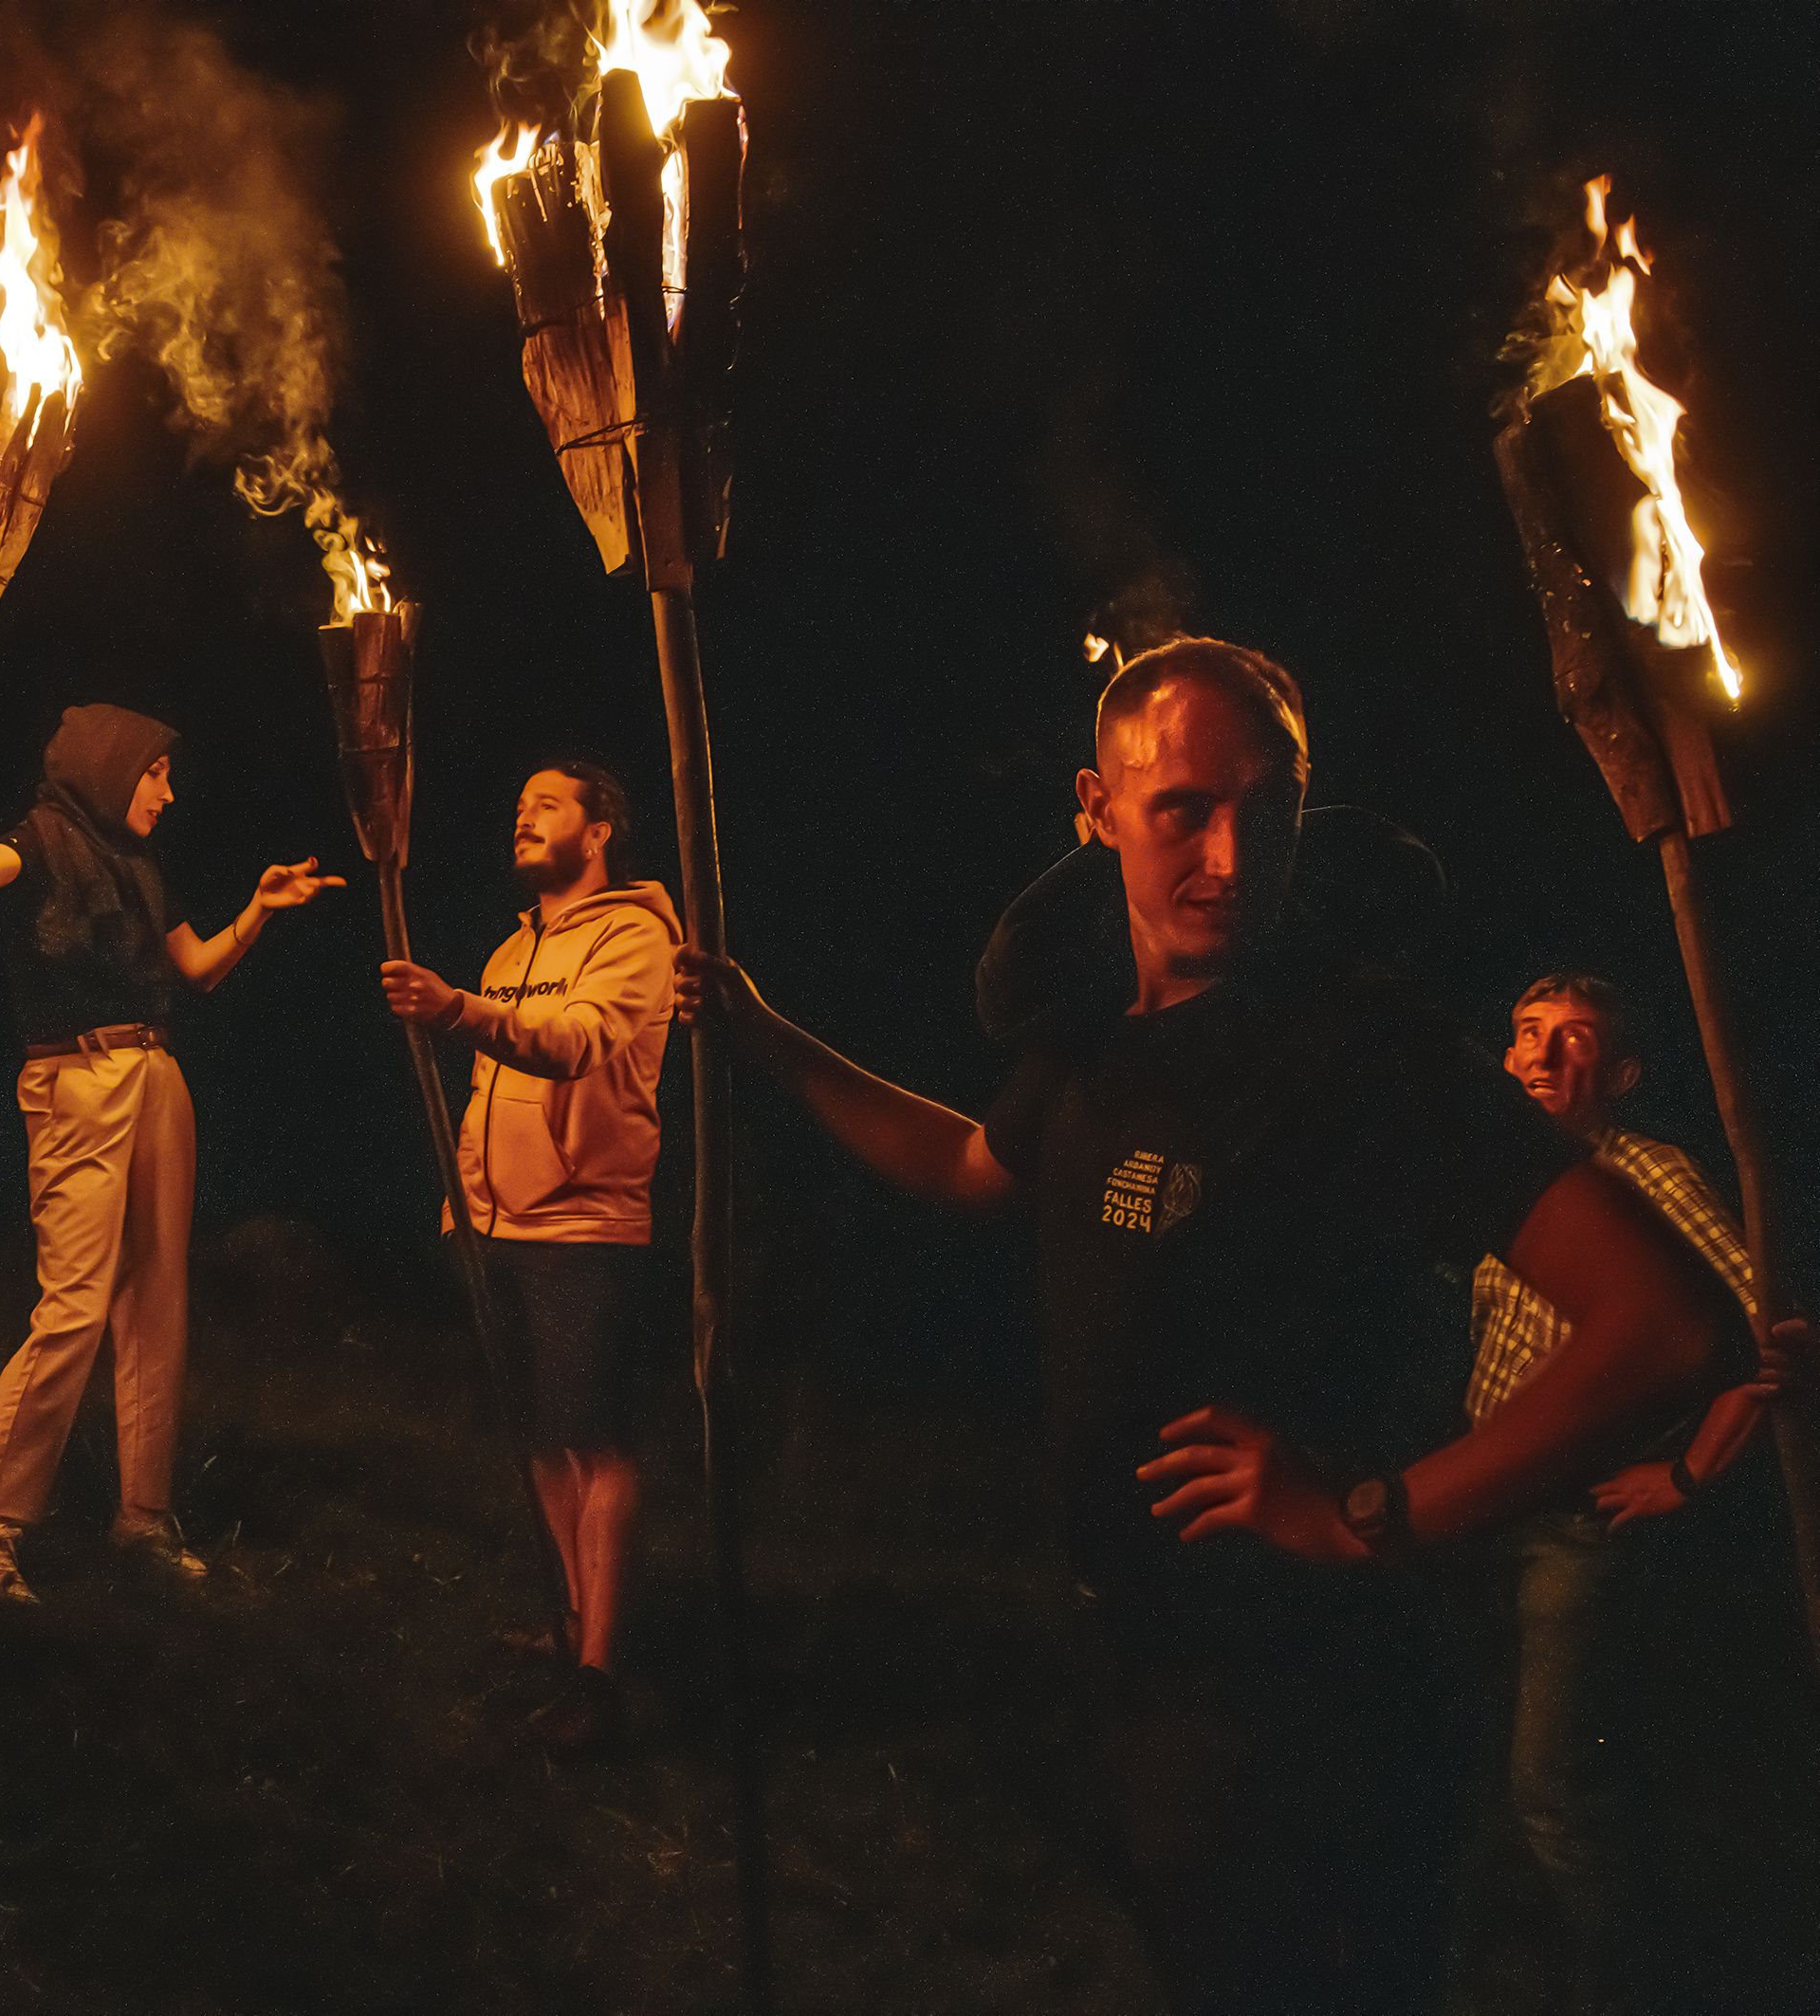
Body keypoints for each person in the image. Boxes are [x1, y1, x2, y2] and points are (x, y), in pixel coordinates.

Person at [675, 638, 1745, 2016]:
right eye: (1182, 806)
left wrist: (1371, 1510)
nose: (1232, 857)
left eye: (1269, 805)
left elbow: (1666, 1325)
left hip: (1319, 1703)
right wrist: (771, 1041)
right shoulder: (1087, 1042)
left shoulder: (1367, 1053)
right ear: (1096, 806)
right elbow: (969, 1166)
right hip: (1145, 1671)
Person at [0, 705, 340, 1603]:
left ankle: (142, 1516)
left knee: (157, 1299)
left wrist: (258, 907)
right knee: (76, 1306)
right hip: (76, 1079)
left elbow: (198, 970)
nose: (168, 793)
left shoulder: (137, 865)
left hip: (156, 1075)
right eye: (155, 774)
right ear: (108, 767)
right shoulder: (41, 840)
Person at [1474, 972, 1781, 2016]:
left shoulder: (1647, 1171)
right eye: (1529, 1035)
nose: (1547, 1056)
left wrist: (1689, 1471)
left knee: (1552, 1789)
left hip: (1576, 1523)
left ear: (1621, 1073)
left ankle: (1624, 1989)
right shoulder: (1504, 1176)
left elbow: (1768, 1335)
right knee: (1493, 1768)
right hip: (1489, 1508)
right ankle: (1518, 1968)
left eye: (1576, 1041)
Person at [378, 761, 678, 1749]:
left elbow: (577, 1043)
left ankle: (601, 1672)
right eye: (518, 806)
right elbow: (488, 1087)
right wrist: (462, 1194)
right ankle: (570, 1621)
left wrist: (456, 1008)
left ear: (599, 832)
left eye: (545, 805)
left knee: (597, 1441)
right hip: (493, 1224)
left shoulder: (637, 934)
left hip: (585, 1225)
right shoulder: (515, 946)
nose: (523, 818)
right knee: (542, 1438)